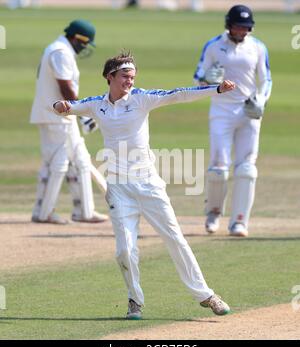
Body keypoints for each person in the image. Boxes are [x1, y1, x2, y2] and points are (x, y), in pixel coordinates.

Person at [53, 51, 235, 319]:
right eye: (125, 76)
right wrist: (60, 106)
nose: (130, 81)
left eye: (132, 77)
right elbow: (68, 105)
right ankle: (134, 301)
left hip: (149, 185)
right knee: (124, 249)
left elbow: (178, 94)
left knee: (175, 238)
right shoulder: (96, 105)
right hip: (118, 188)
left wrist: (216, 89)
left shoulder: (141, 99)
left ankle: (206, 295)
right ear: (110, 77)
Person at [193, 5, 272, 237]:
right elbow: (197, 78)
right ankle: (213, 212)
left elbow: (266, 79)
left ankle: (239, 221)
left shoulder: (257, 47)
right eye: (238, 27)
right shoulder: (214, 46)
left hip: (248, 112)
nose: (242, 31)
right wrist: (208, 80)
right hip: (221, 111)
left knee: (247, 168)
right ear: (229, 25)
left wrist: (260, 101)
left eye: (246, 28)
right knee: (218, 167)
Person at [30, 19, 108, 224]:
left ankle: (84, 211)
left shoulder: (60, 50)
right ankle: (44, 212)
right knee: (59, 163)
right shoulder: (60, 52)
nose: (84, 48)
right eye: (84, 43)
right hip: (56, 115)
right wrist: (83, 113)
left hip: (63, 114)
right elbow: (65, 88)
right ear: (76, 38)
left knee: (81, 160)